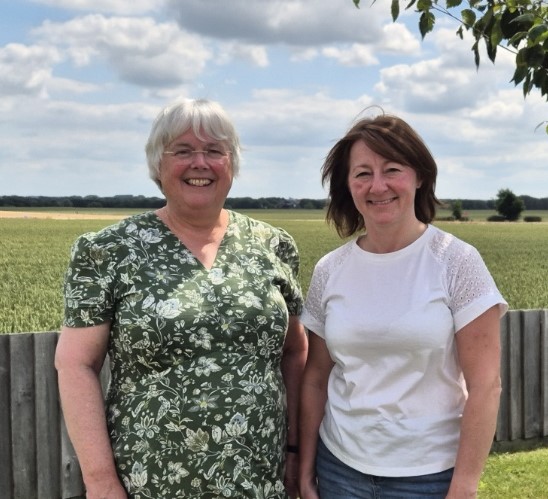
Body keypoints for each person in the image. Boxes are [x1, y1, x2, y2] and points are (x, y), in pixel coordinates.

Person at [55, 97, 308, 499]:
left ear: (232, 164)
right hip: (147, 480)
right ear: (158, 164)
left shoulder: (274, 245)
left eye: (214, 151)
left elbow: (295, 353)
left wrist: (295, 451)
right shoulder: (107, 250)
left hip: (258, 478)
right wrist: (100, 481)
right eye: (183, 151)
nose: (200, 163)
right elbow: (75, 364)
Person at [298, 113, 507, 499]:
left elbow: (486, 386)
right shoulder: (330, 271)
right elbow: (315, 378)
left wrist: (463, 486)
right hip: (340, 468)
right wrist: (304, 467)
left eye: (392, 169)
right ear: (348, 185)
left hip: (430, 476)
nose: (378, 186)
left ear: (420, 175)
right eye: (362, 173)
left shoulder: (457, 262)